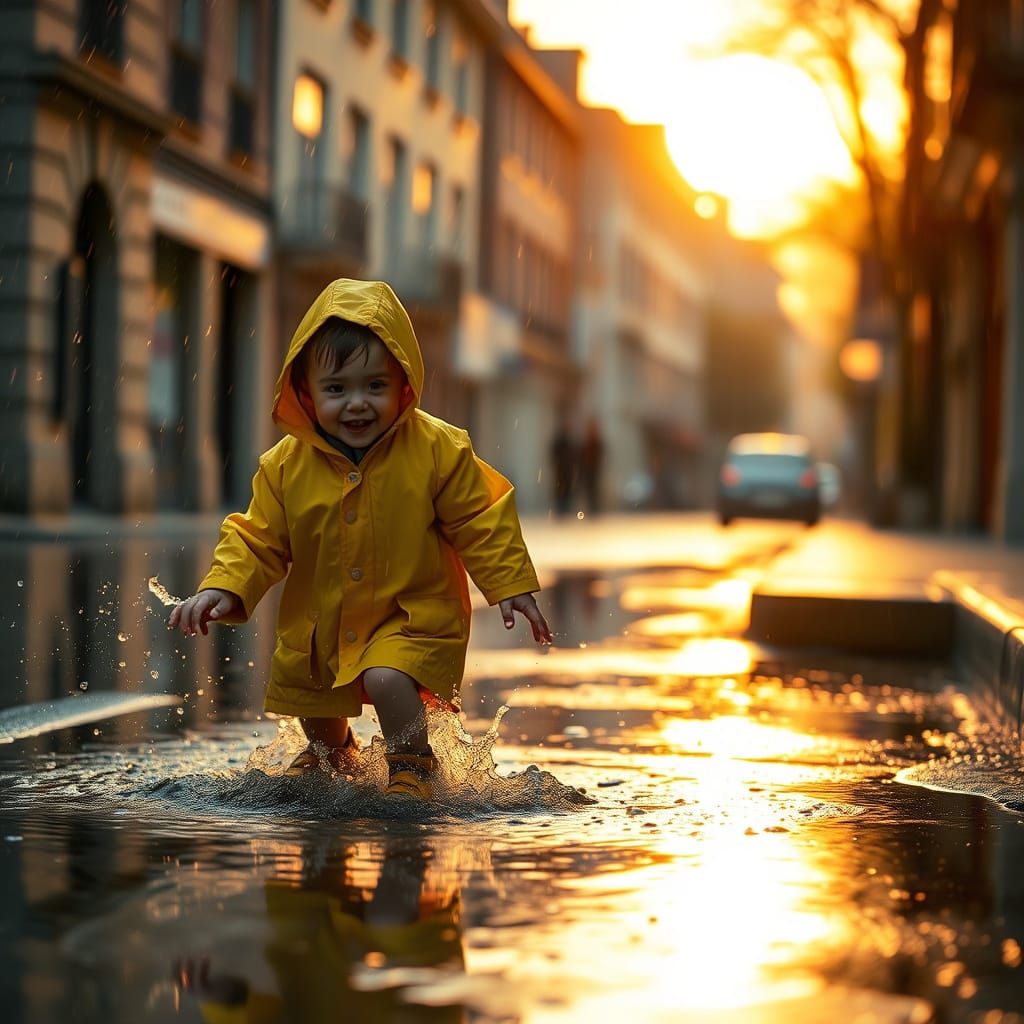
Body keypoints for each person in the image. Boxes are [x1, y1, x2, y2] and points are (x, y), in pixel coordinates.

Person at [169, 278, 551, 799]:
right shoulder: (284, 467)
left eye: (375, 386)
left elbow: (481, 518)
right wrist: (225, 588)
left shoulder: (437, 449)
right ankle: (335, 757)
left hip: (412, 615)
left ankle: (414, 762)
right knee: (315, 699)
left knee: (387, 678)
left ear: (404, 387)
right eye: (336, 389)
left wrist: (508, 583)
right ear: (306, 391)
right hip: (323, 620)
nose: (357, 404)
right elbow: (257, 538)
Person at [549, 416, 576, 517]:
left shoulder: (570, 441)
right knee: (560, 491)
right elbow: (554, 455)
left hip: (567, 471)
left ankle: (566, 510)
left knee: (567, 491)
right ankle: (561, 511)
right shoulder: (560, 441)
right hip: (561, 471)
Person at [579, 417, 605, 515]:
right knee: (589, 491)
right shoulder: (586, 443)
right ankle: (591, 510)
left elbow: (601, 455)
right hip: (588, 470)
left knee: (594, 491)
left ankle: (594, 510)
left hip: (594, 469)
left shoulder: (597, 442)